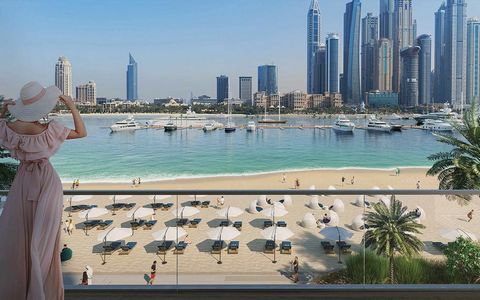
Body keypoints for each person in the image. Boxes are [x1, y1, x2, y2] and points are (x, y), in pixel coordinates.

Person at [0, 82, 87, 300]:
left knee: (20, 236)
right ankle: (41, 290)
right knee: (45, 241)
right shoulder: (49, 130)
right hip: (47, 183)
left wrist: (3, 111)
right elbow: (81, 132)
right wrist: (72, 107)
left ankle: (23, 288)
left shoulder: (8, 130)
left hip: (22, 182)